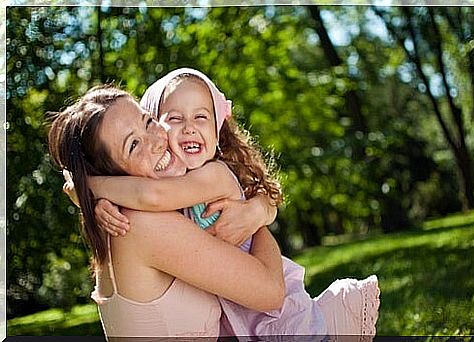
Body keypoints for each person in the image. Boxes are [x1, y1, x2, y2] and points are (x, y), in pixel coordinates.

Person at [88, 68, 380, 339]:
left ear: (217, 133)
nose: (189, 128)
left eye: (201, 117)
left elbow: (150, 196)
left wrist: (88, 186)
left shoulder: (213, 175)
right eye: (174, 119)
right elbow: (146, 194)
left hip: (274, 313)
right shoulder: (164, 197)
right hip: (240, 311)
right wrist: (101, 201)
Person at [48, 85, 286, 339]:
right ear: (111, 174)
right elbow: (271, 292)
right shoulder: (139, 224)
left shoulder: (149, 213)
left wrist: (260, 208)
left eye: (148, 122)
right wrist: (259, 221)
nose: (156, 141)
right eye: (133, 145)